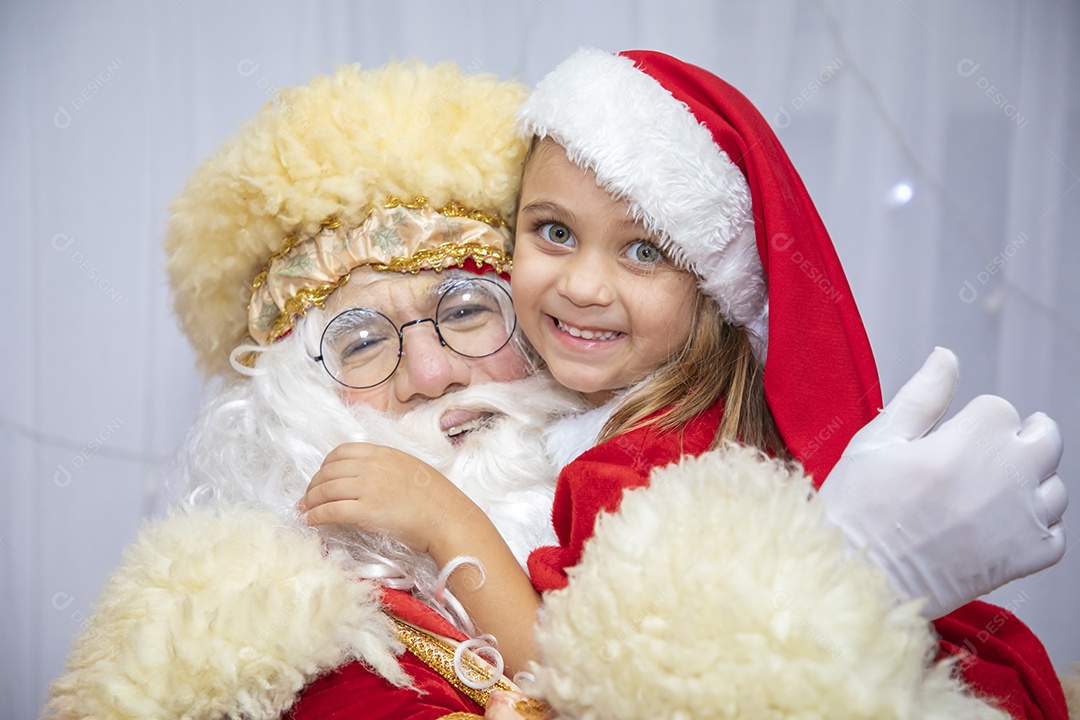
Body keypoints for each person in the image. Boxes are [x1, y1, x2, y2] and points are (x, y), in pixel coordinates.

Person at [299, 49, 1069, 719]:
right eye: (555, 232)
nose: (584, 286)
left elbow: (577, 678)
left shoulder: (641, 460)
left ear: (710, 286)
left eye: (643, 251)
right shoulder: (614, 413)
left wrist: (446, 520)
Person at [43, 60, 580, 720]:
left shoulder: (655, 496)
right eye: (363, 343)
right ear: (293, 402)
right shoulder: (306, 657)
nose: (432, 375)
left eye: (466, 310)